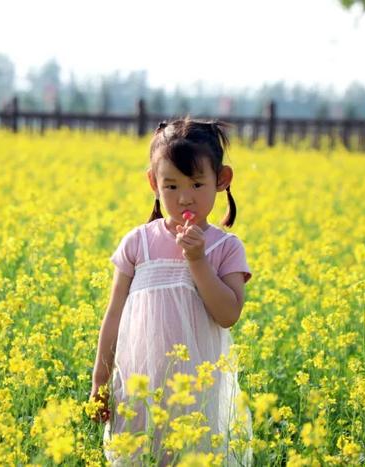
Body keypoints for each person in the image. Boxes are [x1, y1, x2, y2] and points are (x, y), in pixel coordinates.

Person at [89, 117, 253, 466]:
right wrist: (100, 382)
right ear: (153, 183)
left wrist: (197, 260)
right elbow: (113, 316)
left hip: (198, 391)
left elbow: (228, 315)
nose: (185, 199)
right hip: (140, 387)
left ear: (222, 180)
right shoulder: (138, 243)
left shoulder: (225, 247)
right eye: (172, 186)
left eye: (196, 184)